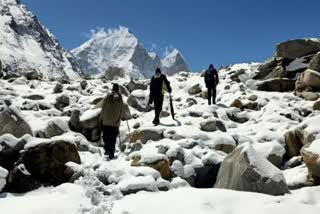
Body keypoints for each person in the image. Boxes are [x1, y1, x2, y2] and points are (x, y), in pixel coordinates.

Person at [100, 83, 124, 159]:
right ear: (118, 89)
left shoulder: (107, 97)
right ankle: (111, 153)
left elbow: (103, 108)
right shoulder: (120, 98)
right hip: (115, 122)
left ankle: (107, 149)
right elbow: (121, 110)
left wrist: (101, 118)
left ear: (112, 89)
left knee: (106, 137)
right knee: (113, 138)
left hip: (106, 121)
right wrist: (119, 119)